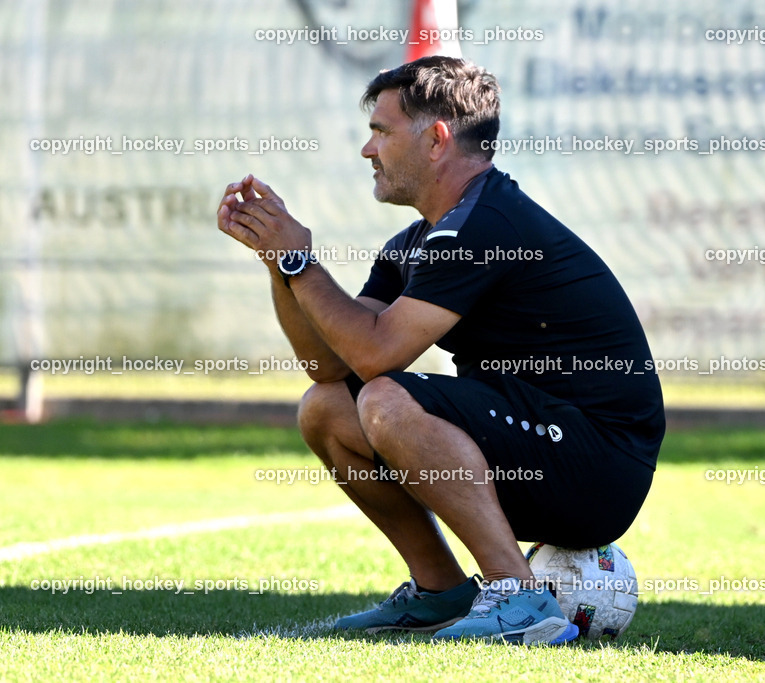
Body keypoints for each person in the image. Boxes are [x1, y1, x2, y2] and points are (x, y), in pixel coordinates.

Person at [216, 56, 664, 645]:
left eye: (380, 132)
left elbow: (377, 358)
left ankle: (520, 598)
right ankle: (441, 592)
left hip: (598, 463)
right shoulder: (422, 239)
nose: (367, 151)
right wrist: (281, 263)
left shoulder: (484, 224)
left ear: (435, 139)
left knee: (386, 399)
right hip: (536, 444)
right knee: (327, 407)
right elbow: (330, 362)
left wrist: (302, 261)